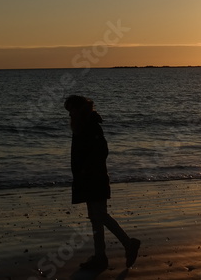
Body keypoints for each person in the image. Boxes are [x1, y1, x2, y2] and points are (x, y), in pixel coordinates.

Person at [64, 94, 140, 271]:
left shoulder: (90, 126)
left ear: (77, 109)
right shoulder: (84, 125)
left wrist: (86, 170)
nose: (69, 115)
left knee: (100, 216)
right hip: (88, 178)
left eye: (71, 111)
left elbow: (101, 151)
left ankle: (129, 244)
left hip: (94, 178)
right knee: (95, 218)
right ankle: (100, 257)